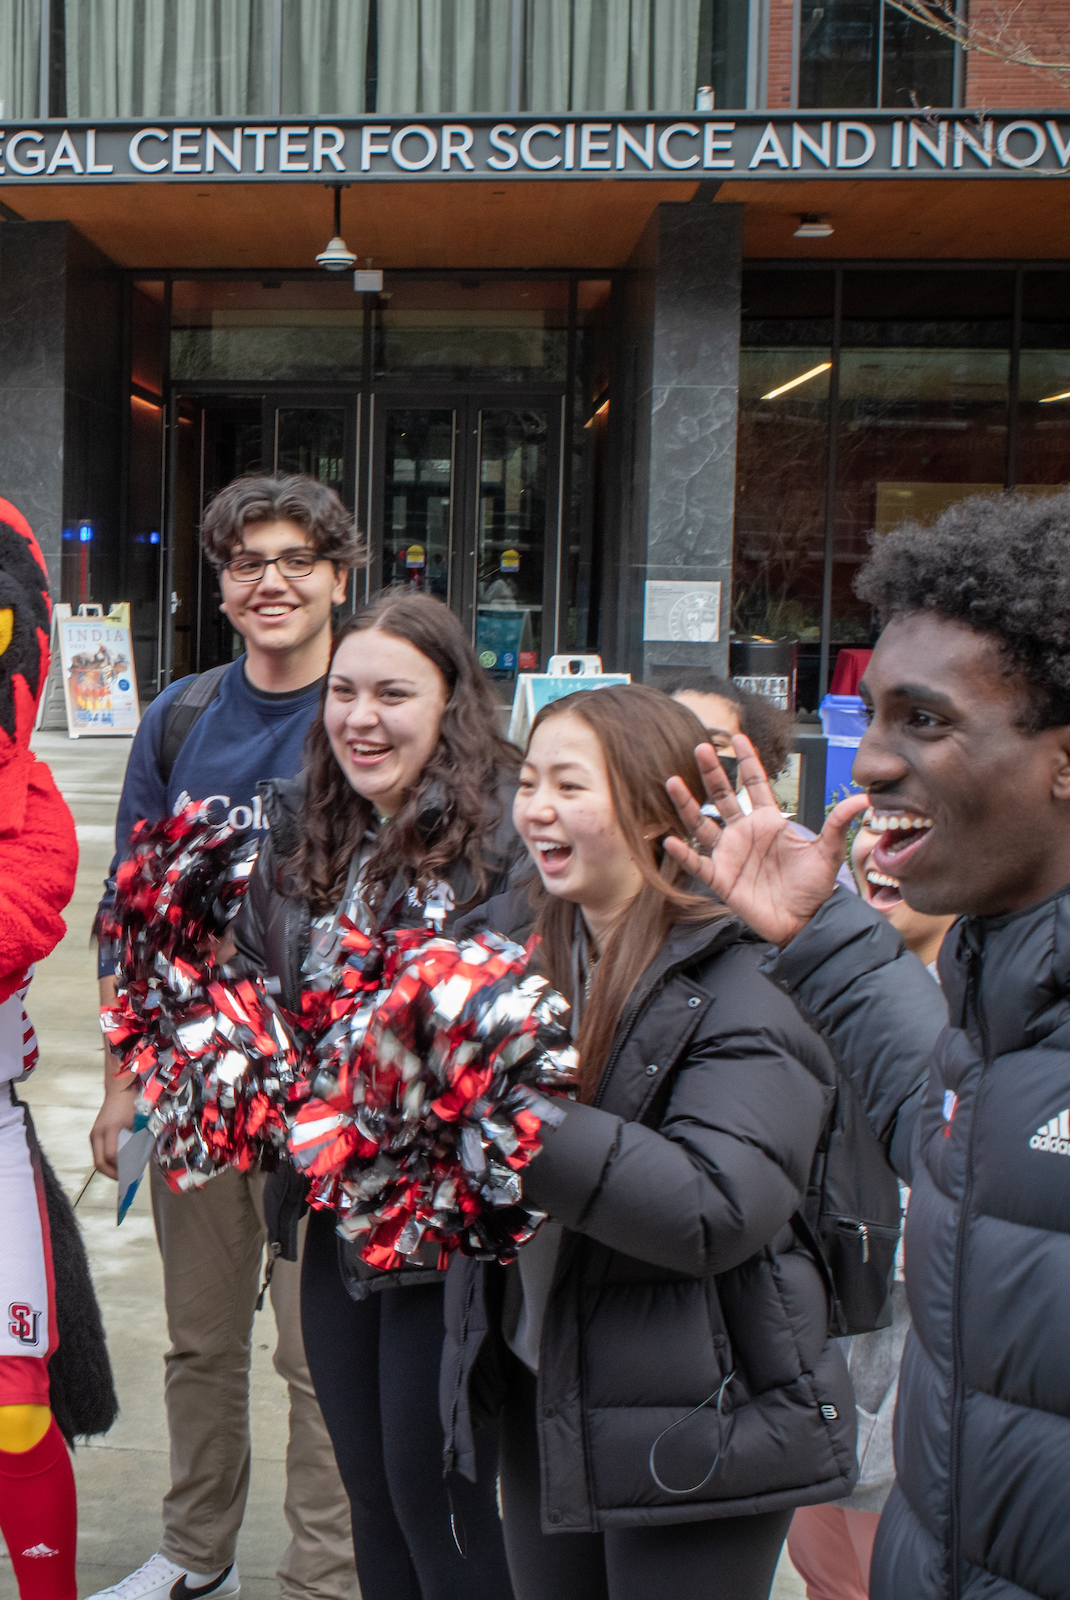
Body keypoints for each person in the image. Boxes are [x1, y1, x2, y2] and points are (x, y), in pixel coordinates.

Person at [664, 490, 1070, 1599]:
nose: (872, 763)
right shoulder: (1005, 986)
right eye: (874, 716)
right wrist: (824, 935)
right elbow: (955, 1135)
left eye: (924, 721)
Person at [442, 684, 853, 1599]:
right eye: (530, 780)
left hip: (707, 1410)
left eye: (571, 786)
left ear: (651, 805)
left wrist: (501, 1112)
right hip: (545, 1378)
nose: (536, 808)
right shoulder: (521, 949)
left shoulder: (749, 971)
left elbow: (715, 1206)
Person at [87, 475, 363, 1600]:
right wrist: (120, 1082)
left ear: (340, 576)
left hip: (329, 1094)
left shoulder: (373, 708)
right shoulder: (183, 716)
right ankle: (196, 1556)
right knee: (199, 1342)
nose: (272, 581)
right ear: (223, 586)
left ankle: (322, 1578)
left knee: (316, 1361)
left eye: (297, 558)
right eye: (247, 563)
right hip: (196, 1081)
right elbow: (131, 909)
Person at [232, 589, 517, 1600]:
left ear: (452, 702)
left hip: (448, 1242)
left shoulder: (508, 843)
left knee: (440, 1509)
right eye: (344, 691)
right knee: (374, 1505)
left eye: (394, 692)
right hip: (335, 1218)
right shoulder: (321, 831)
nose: (361, 716)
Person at [784, 824, 947, 1600]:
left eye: (911, 835)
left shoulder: (1009, 1006)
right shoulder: (806, 988)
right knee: (828, 1576)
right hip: (820, 1362)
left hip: (921, 1378)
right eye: (871, 829)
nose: (880, 850)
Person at [659, 671, 795, 795]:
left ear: (753, 758)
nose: (697, 752)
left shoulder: (769, 822)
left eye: (716, 744)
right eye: (676, 739)